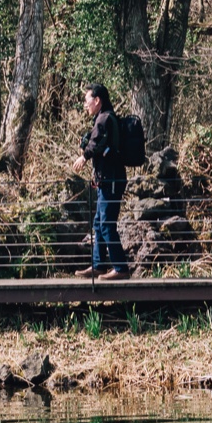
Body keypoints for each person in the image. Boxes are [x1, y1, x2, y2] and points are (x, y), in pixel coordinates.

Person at [73, 83, 130, 281]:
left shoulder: (104, 118)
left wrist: (84, 157)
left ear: (97, 100)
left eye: (86, 100)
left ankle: (120, 268)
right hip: (107, 180)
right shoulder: (104, 117)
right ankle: (98, 265)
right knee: (99, 223)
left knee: (106, 224)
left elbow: (95, 144)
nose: (84, 105)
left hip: (111, 180)